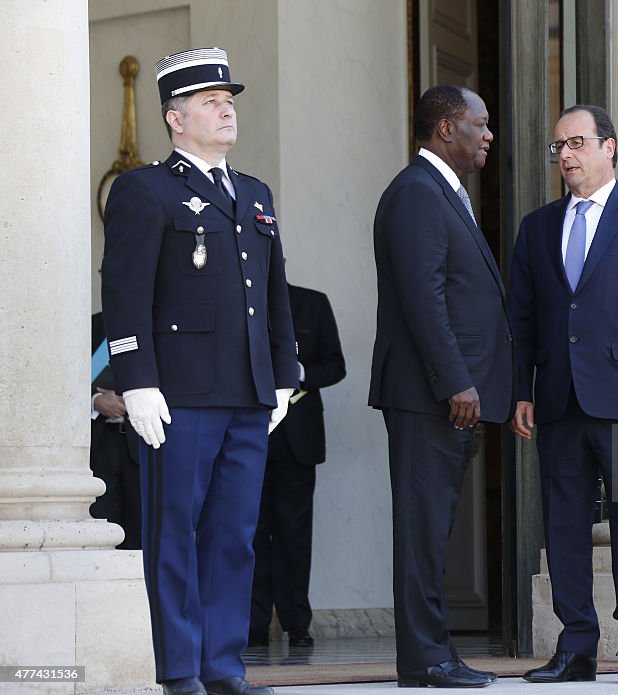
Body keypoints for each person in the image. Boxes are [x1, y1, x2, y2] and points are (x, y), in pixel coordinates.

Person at [101, 47, 297, 695]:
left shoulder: (256, 192)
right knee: (175, 534)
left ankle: (224, 664)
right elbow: (125, 289)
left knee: (235, 536)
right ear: (174, 117)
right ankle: (182, 668)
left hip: (246, 391)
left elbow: (273, 293)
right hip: (178, 393)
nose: (226, 110)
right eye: (211, 102)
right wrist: (137, 378)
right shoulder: (145, 188)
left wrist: (284, 375)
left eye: (230, 101)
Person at [508, 104, 618, 685]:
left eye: (577, 142)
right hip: (558, 399)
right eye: (559, 146)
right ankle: (577, 644)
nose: (565, 154)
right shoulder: (536, 227)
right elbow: (524, 319)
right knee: (563, 524)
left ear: (609, 146)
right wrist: (521, 391)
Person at [369, 84, 513, 689]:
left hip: (448, 395)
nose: (488, 135)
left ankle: (435, 654)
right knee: (423, 532)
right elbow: (423, 298)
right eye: (479, 124)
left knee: (435, 531)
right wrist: (457, 381)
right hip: (429, 395)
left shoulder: (443, 194)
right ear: (446, 128)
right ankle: (426, 659)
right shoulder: (416, 194)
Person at [249, 282, 346, 649]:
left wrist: (299, 371)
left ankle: (295, 622)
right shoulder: (239, 297)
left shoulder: (312, 302)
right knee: (251, 532)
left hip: (298, 438)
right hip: (251, 431)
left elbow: (335, 365)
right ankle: (252, 623)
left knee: (294, 534)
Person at [90, 311, 142, 550]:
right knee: (98, 522)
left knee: (140, 529)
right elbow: (66, 377)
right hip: (99, 444)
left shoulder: (157, 320)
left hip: (143, 441)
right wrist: (95, 400)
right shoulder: (89, 325)